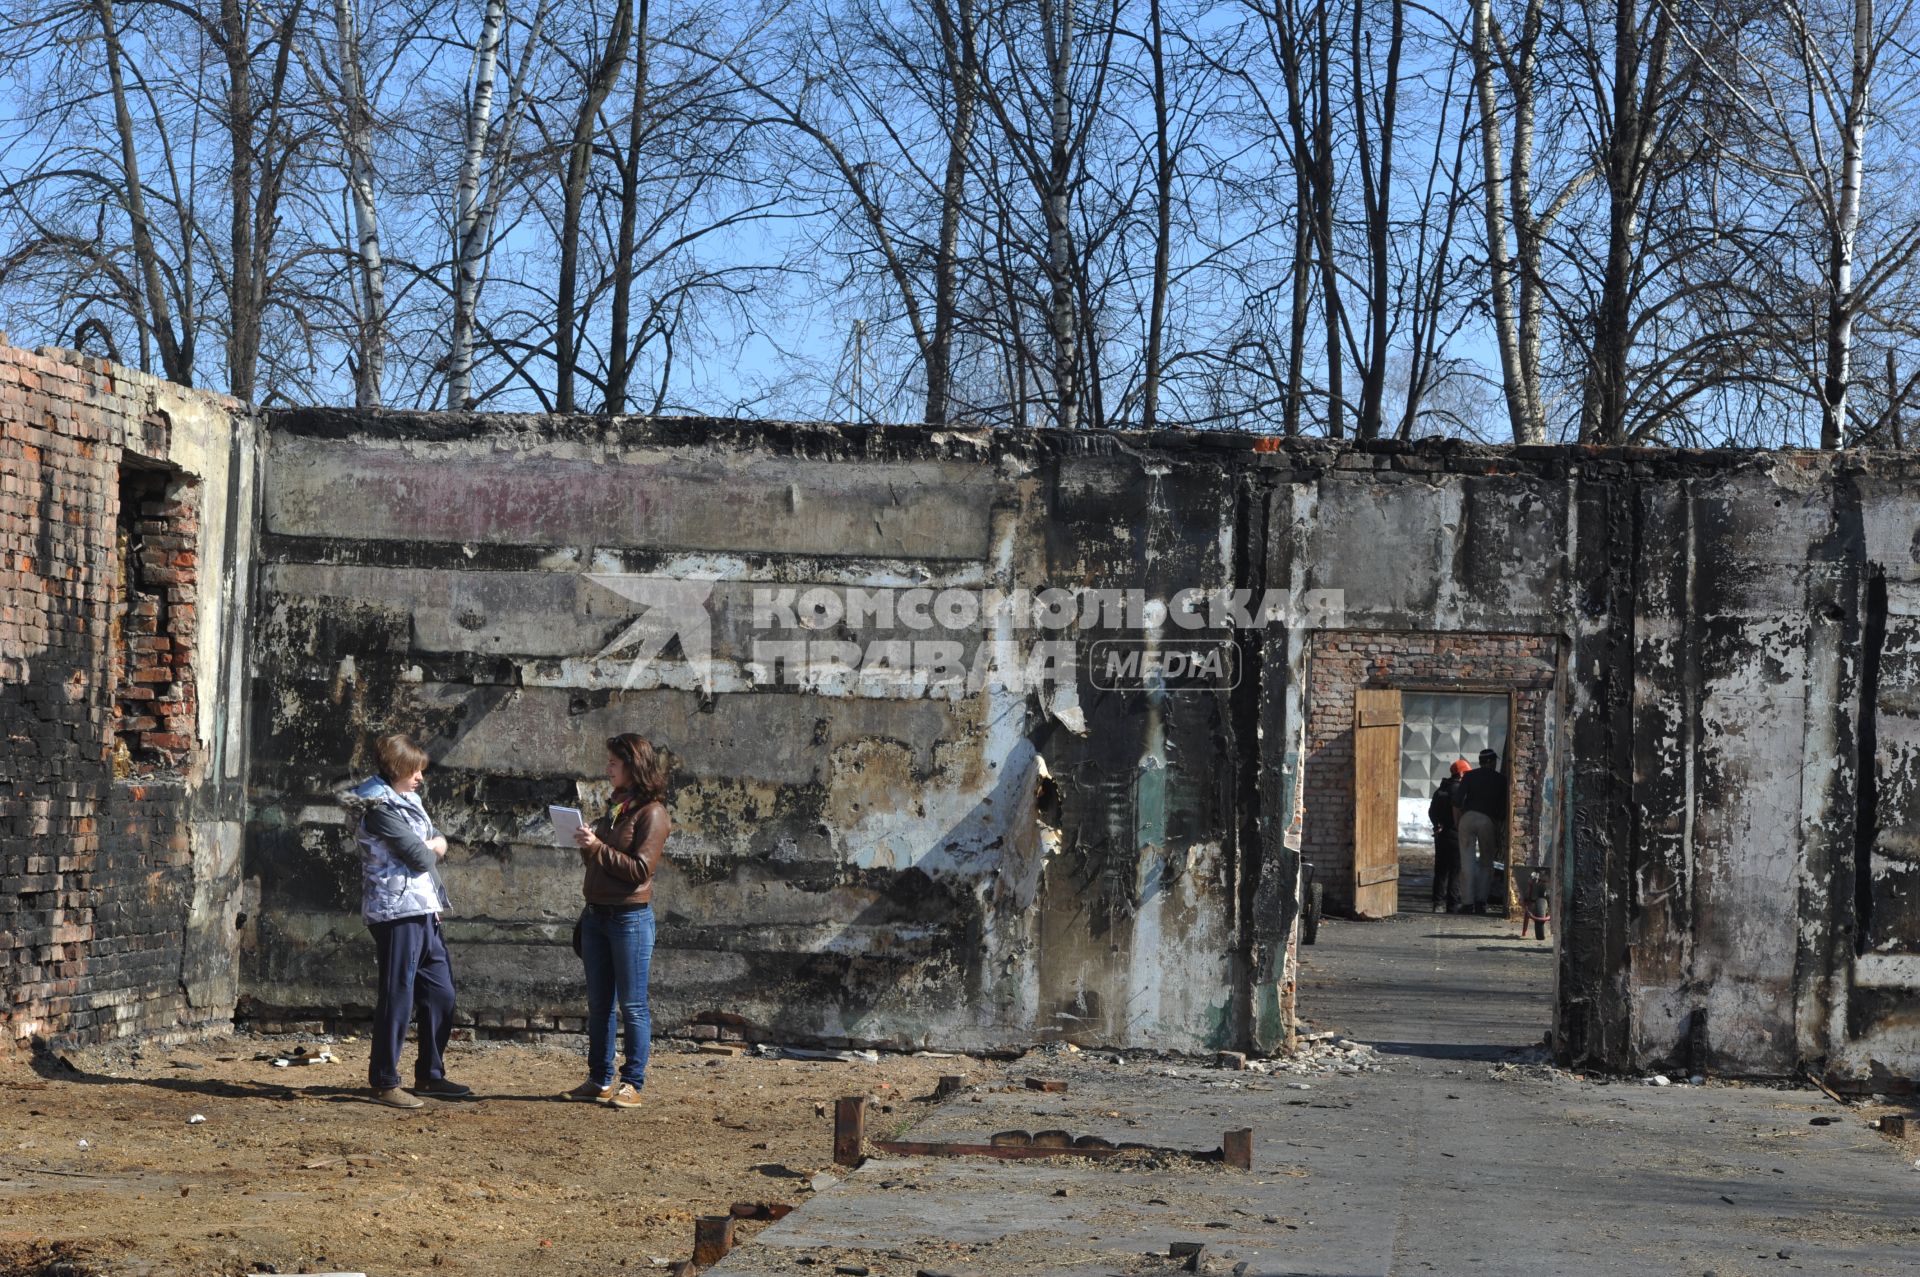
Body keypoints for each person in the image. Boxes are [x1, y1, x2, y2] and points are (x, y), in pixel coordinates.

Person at [343, 733, 470, 1108]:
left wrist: (433, 845)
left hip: (422, 906)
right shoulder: (378, 806)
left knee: (441, 990)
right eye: (415, 770)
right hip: (395, 909)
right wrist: (434, 847)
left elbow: (431, 840)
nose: (420, 778)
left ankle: (431, 1074)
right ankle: (384, 1080)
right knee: (398, 992)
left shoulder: (405, 799)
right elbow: (421, 855)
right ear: (398, 769)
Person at [568, 733, 670, 1109]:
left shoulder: (652, 814)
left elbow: (640, 869)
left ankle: (632, 1082)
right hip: (596, 916)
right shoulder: (617, 808)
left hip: (629, 918)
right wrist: (589, 845)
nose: (607, 767)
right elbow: (603, 860)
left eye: (614, 762)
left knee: (633, 1004)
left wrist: (599, 848)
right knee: (599, 1004)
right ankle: (598, 1078)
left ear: (632, 765)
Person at [1452, 748, 1508, 914]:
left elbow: (1457, 801)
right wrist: (1498, 829)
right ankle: (1481, 902)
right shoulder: (1501, 780)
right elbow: (1502, 809)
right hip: (1487, 821)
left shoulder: (1469, 776)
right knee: (1486, 863)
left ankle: (1468, 903)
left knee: (1466, 863)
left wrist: (1458, 822)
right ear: (1492, 762)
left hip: (1467, 818)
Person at [1428, 759, 1470, 912]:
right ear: (1460, 774)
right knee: (1456, 870)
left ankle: (1437, 903)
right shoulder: (1460, 791)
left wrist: (1437, 824)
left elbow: (1431, 811)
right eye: (1466, 773)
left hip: (1441, 835)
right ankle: (1453, 904)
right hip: (1455, 834)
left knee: (1440, 871)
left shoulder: (1440, 790)